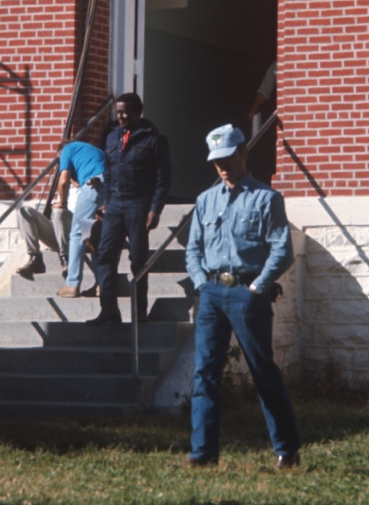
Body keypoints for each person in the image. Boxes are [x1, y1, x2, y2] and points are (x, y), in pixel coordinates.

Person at [183, 124, 300, 469]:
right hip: (212, 294)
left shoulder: (267, 198)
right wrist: (201, 283)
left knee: (262, 370)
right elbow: (193, 248)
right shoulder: (205, 200)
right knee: (205, 373)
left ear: (243, 153)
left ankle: (286, 448)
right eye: (216, 161)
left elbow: (282, 250)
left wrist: (257, 287)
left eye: (227, 158)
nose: (222, 166)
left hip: (248, 294)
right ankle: (202, 453)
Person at [86, 92, 171, 325]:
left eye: (125, 112)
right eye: (118, 112)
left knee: (138, 260)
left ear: (137, 112)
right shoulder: (112, 137)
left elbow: (163, 178)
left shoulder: (153, 140)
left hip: (138, 205)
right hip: (114, 205)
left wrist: (155, 209)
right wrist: (106, 200)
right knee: (105, 256)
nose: (121, 116)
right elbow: (109, 171)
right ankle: (109, 311)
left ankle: (139, 313)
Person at [54, 141, 106, 297]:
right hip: (110, 186)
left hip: (94, 185)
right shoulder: (93, 151)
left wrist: (62, 203)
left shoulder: (67, 150)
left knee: (77, 234)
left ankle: (72, 284)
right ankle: (101, 285)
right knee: (94, 238)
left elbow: (63, 180)